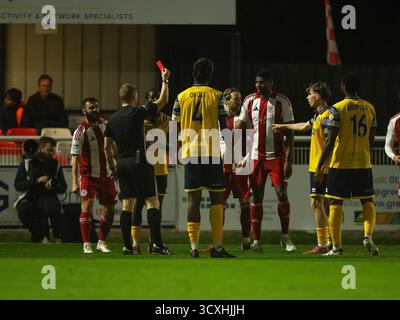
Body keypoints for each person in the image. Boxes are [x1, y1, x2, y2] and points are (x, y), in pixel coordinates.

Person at [172, 57, 235, 258]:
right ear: (210, 75)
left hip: (190, 152)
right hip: (212, 152)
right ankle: (217, 247)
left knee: (193, 200)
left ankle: (194, 248)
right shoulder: (217, 96)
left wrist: (178, 150)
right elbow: (224, 126)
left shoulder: (181, 96)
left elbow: (175, 127)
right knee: (217, 199)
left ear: (194, 74)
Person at [104, 68, 172, 255]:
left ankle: (127, 246)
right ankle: (157, 244)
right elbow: (163, 101)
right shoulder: (137, 112)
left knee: (127, 205)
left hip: (122, 165)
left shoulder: (113, 118)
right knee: (152, 201)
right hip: (139, 162)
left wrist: (112, 167)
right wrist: (164, 80)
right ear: (134, 97)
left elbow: (106, 147)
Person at [315, 73, 379, 256]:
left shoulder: (336, 109)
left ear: (343, 88)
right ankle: (368, 236)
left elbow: (330, 139)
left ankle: (336, 247)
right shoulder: (370, 108)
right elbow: (372, 138)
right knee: (368, 200)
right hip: (362, 161)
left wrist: (320, 166)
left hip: (341, 162)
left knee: (336, 201)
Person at [235, 68, 296, 252]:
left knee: (281, 194)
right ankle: (257, 242)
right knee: (256, 197)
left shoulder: (282, 101)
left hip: (276, 157)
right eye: (256, 82)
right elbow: (239, 125)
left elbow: (290, 131)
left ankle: (285, 237)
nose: (258, 85)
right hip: (255, 157)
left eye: (262, 82)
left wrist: (288, 160)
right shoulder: (249, 100)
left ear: (270, 83)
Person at [273, 82, 333, 254]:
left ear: (318, 96)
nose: (307, 97)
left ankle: (323, 244)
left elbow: (330, 143)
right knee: (325, 203)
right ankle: (330, 242)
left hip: (322, 166)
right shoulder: (318, 115)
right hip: (319, 166)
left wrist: (321, 167)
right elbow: (304, 126)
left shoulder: (328, 115)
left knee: (317, 202)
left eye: (310, 94)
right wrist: (284, 126)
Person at [71, 97, 116, 254]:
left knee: (110, 209)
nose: (95, 110)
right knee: (88, 205)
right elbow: (75, 157)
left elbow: (113, 149)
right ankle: (86, 244)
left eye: (96, 107)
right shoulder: (80, 131)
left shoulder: (105, 125)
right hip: (88, 175)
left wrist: (115, 167)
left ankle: (101, 242)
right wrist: (74, 182)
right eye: (91, 108)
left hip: (106, 175)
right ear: (84, 111)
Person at [131, 89, 171, 254]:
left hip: (161, 168)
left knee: (157, 207)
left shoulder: (167, 119)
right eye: (151, 99)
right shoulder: (140, 121)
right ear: (147, 101)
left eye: (156, 98)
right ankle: (135, 243)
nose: (155, 101)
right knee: (138, 204)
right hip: (143, 168)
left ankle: (153, 243)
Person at [14, 136, 67, 243]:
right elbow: (18, 184)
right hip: (29, 196)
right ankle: (39, 235)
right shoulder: (27, 163)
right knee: (23, 211)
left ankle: (56, 237)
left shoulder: (55, 164)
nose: (52, 153)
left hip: (48, 196)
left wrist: (55, 185)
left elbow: (63, 187)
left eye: (53, 150)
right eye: (49, 150)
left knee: (51, 207)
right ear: (40, 148)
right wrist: (36, 181)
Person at [221, 88, 252, 250]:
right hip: (224, 168)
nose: (239, 102)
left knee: (245, 203)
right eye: (235, 99)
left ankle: (246, 240)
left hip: (241, 168)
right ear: (227, 101)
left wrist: (246, 159)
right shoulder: (221, 119)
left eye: (240, 99)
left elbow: (252, 141)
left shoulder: (245, 119)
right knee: (220, 204)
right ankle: (217, 240)